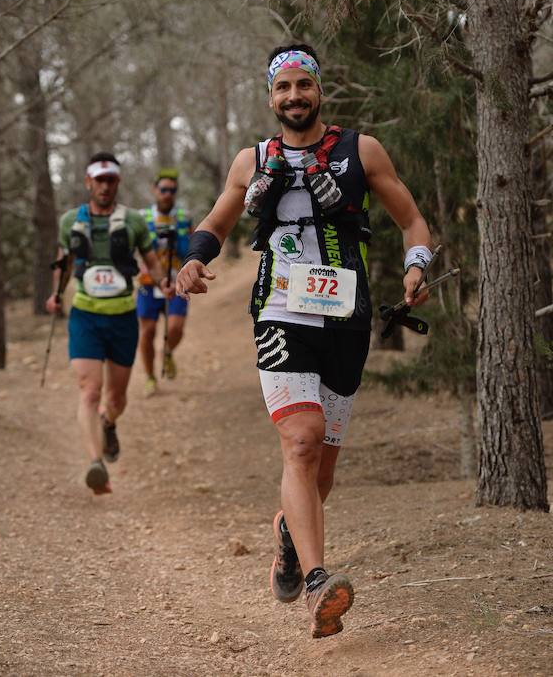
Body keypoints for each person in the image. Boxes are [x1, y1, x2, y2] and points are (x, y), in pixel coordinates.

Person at [176, 44, 432, 639]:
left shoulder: (359, 150)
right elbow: (215, 224)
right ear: (270, 97)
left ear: (320, 91)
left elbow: (412, 221)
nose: (294, 96)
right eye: (283, 88)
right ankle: (320, 585)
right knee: (302, 440)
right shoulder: (252, 160)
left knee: (323, 474)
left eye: (304, 86)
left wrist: (417, 266)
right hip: (280, 313)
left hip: (347, 319)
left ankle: (290, 540)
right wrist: (192, 260)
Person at [46, 153, 170, 495]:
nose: (104, 186)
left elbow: (150, 260)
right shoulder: (70, 220)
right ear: (88, 182)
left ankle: (108, 422)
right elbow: (64, 260)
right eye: (98, 180)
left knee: (116, 398)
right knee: (90, 390)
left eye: (110, 180)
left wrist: (163, 283)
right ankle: (95, 463)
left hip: (122, 317)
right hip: (85, 315)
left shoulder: (131, 221)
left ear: (117, 183)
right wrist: (55, 293)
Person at [136, 168, 193, 395]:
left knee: (176, 327)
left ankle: (167, 352)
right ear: (155, 190)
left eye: (172, 190)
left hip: (177, 282)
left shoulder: (184, 217)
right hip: (148, 283)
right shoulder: (142, 218)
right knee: (147, 332)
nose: (167, 194)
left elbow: (192, 247)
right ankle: (150, 377)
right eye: (163, 189)